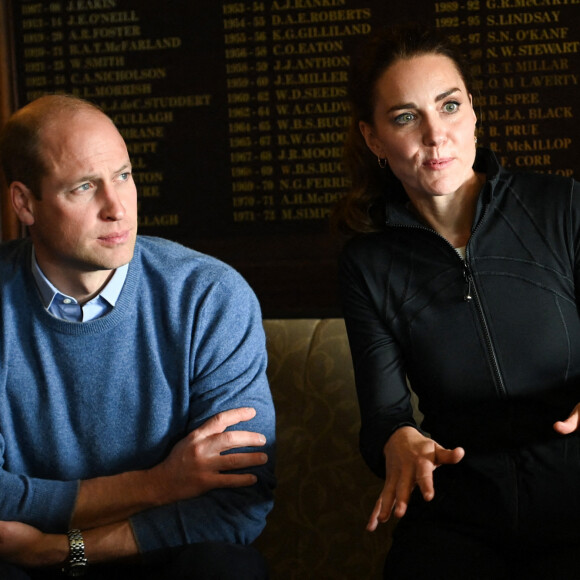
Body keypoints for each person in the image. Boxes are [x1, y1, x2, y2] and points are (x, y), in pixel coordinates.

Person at [334, 24, 580, 579]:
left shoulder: (562, 208)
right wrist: (398, 442)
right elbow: (384, 419)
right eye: (405, 117)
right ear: (374, 140)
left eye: (448, 106)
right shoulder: (369, 265)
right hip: (462, 514)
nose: (435, 135)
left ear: (472, 110)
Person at [0, 94, 275, 579]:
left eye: (123, 175)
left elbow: (238, 504)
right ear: (25, 202)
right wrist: (159, 484)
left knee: (227, 569)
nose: (116, 207)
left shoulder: (209, 296)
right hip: (18, 564)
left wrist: (64, 550)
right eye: (83, 187)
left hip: (163, 562)